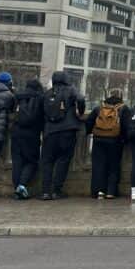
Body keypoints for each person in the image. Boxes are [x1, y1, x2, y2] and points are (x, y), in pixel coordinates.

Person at [39, 71, 86, 200]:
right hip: (67, 130)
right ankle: (56, 190)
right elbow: (81, 99)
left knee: (47, 162)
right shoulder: (71, 90)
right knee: (63, 160)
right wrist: (80, 111)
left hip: (49, 131)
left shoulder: (47, 93)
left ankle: (45, 192)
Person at [85, 89, 131, 199]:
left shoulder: (99, 107)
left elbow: (89, 122)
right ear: (121, 97)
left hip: (99, 139)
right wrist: (124, 139)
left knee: (98, 165)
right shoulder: (123, 108)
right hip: (115, 140)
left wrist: (91, 132)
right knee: (113, 166)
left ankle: (98, 191)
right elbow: (127, 126)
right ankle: (111, 191)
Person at [10, 78, 45, 200]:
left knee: (17, 161)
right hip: (32, 134)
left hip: (16, 132)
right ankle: (22, 186)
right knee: (31, 161)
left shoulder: (17, 96)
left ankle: (16, 188)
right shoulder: (40, 97)